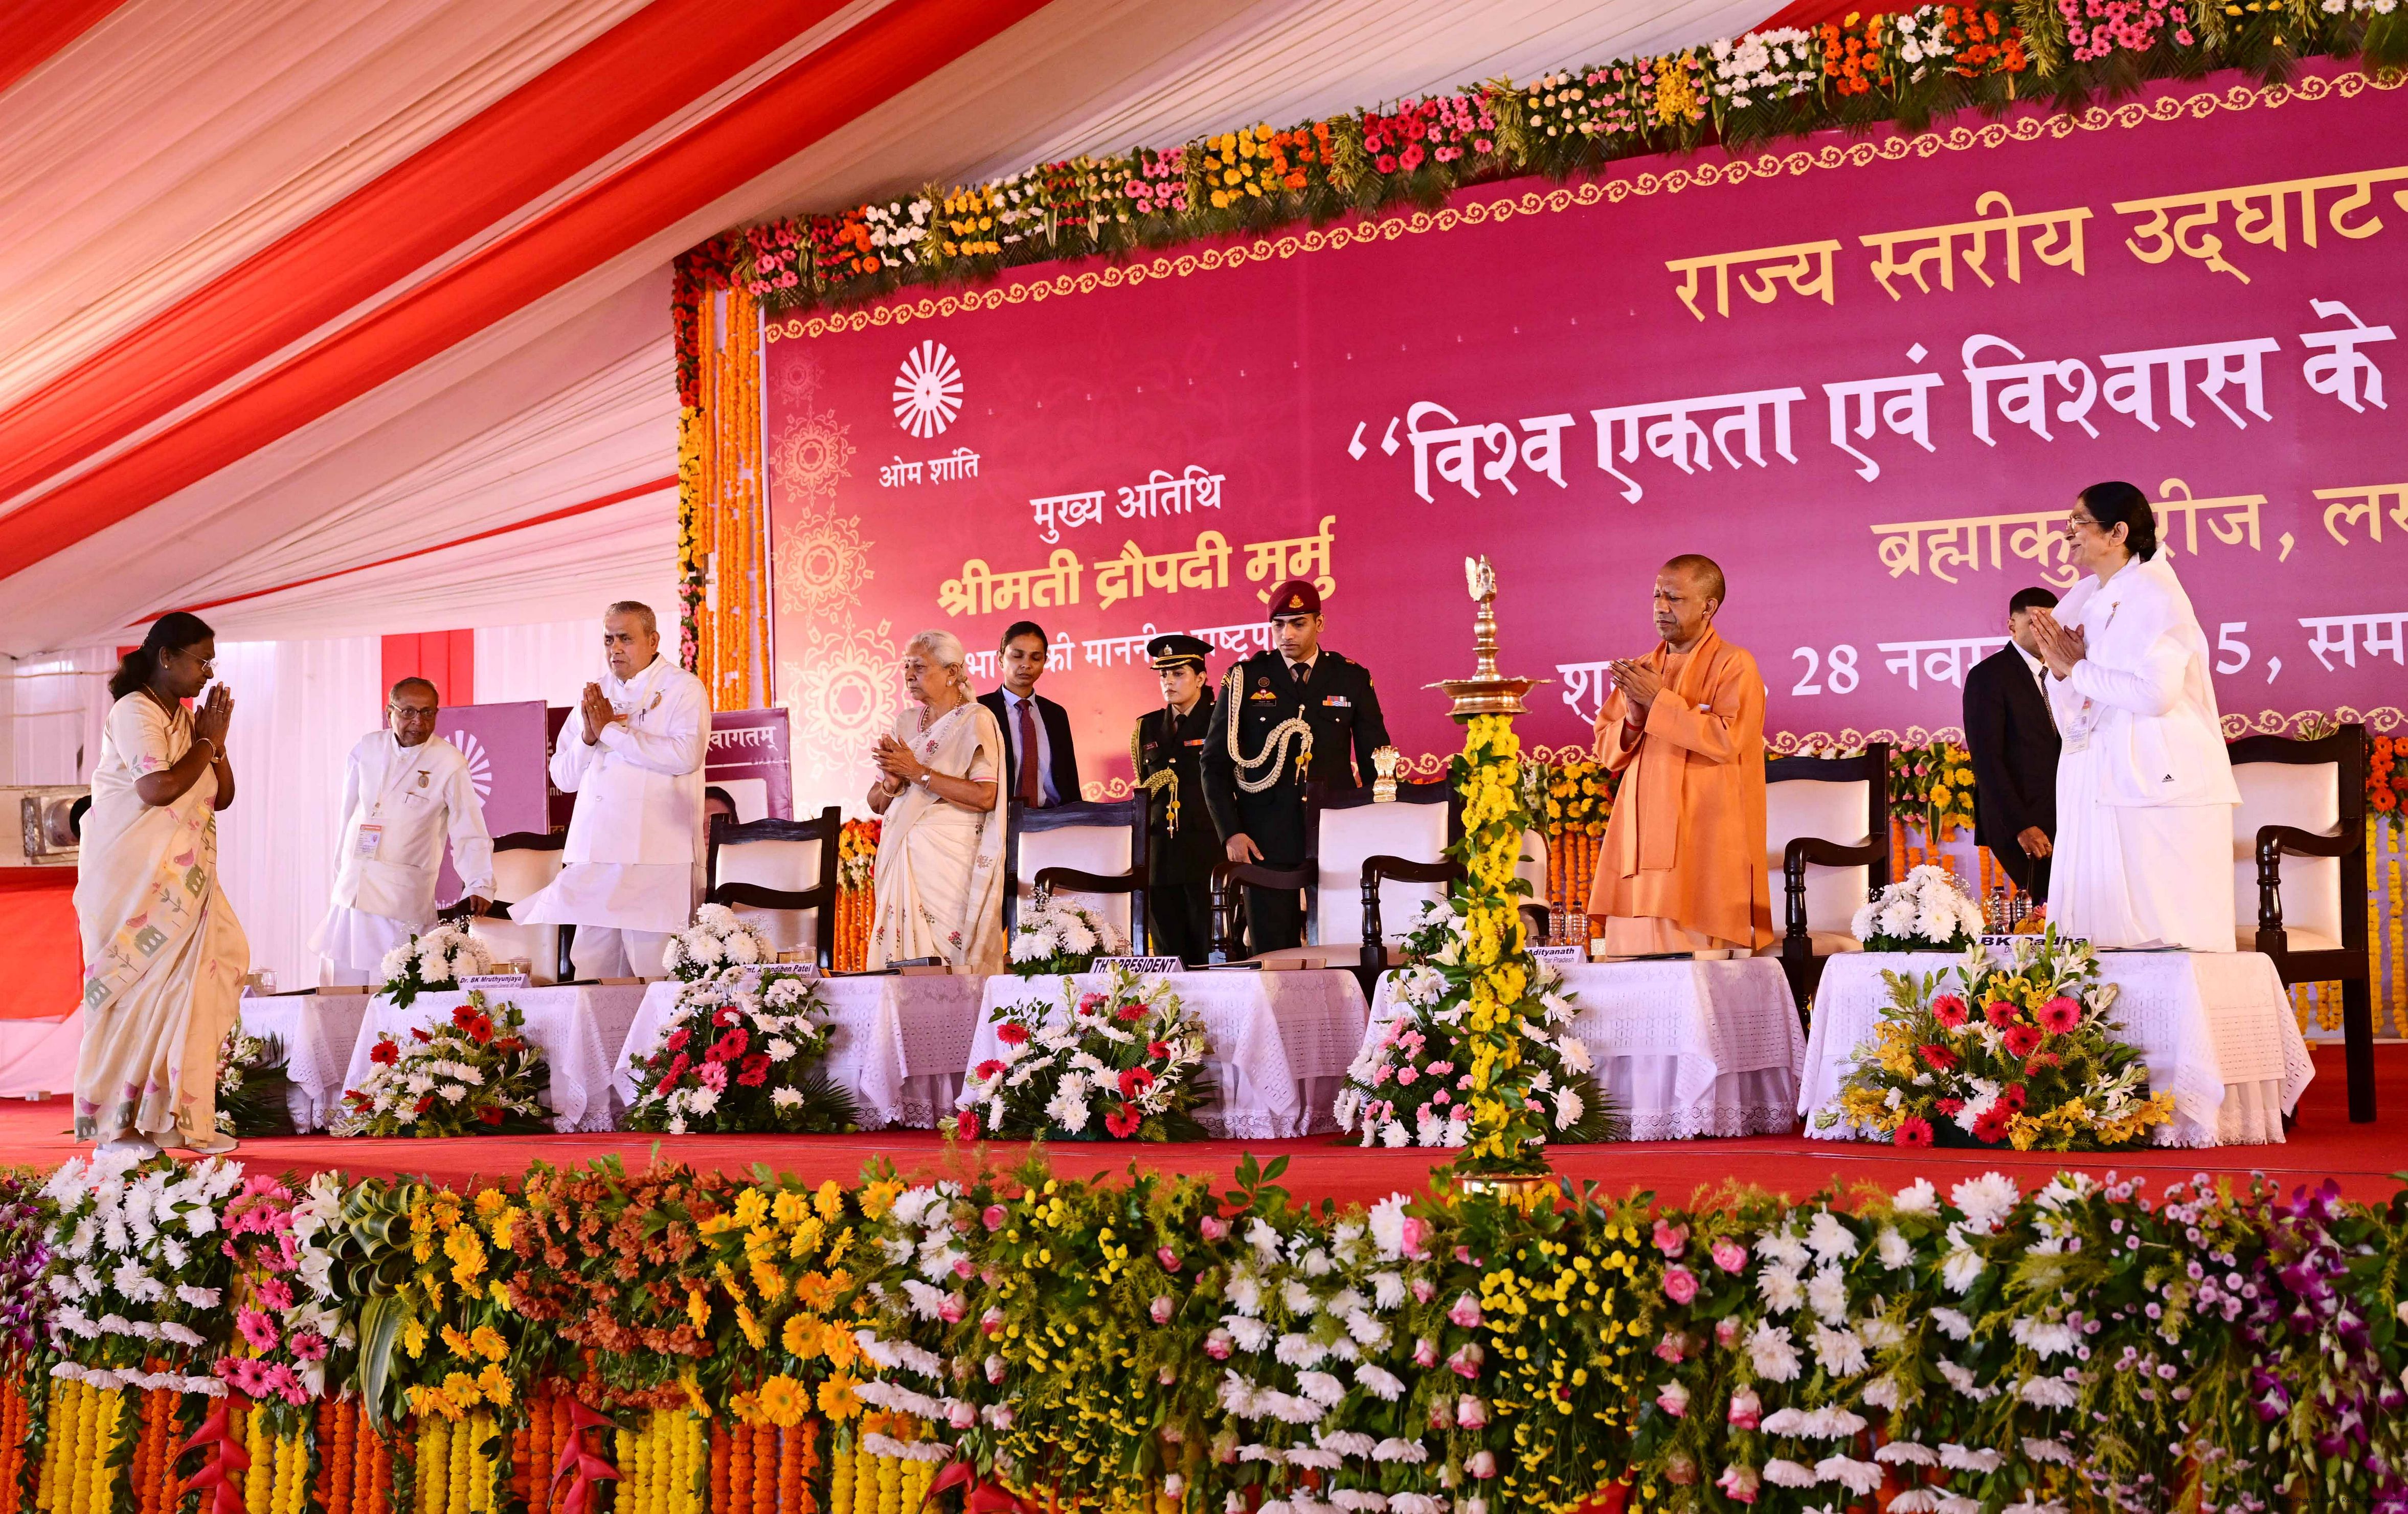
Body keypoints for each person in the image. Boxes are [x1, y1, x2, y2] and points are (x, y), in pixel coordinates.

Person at [2031, 481, 2240, 951]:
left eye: (2079, 521)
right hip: (2095, 773)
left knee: (2161, 936)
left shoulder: (2156, 593)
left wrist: (2076, 669)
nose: (2067, 532)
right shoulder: (2084, 594)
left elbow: (2155, 695)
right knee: (2095, 939)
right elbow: (2068, 684)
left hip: (2156, 783)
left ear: (2117, 533)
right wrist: (2064, 674)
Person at [71, 611, 247, 1157]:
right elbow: (157, 788)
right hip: (131, 884)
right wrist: (207, 741)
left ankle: (168, 1119)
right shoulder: (135, 710)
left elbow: (222, 795)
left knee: (193, 989)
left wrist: (213, 743)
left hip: (181, 881)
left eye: (211, 662)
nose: (208, 673)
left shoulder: (184, 720)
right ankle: (113, 1131)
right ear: (166, 656)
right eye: (201, 661)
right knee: (131, 997)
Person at [1586, 555, 1773, 955]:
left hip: (1701, 833)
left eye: (1674, 597)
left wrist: (1658, 702)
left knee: (1694, 964)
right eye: (1656, 595)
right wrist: (1634, 719)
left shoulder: (1734, 664)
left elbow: (1727, 738)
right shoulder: (1641, 669)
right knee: (1629, 961)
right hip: (1639, 833)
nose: (1660, 607)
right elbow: (1606, 750)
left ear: (1708, 606)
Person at [516, 601, 709, 979]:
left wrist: (611, 732)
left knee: (655, 972)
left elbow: (686, 756)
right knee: (592, 973)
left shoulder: (683, 687)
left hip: (655, 857)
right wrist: (589, 738)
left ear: (653, 641)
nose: (615, 648)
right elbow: (563, 778)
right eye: (609, 640)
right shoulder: (596, 693)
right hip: (596, 855)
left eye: (625, 639)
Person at [1200, 579, 1390, 954]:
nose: (1286, 635)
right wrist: (1231, 832)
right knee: (1273, 954)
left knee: (1341, 946)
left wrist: (1376, 825)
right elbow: (1214, 763)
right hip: (1264, 837)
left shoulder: (1349, 677)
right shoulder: (1245, 679)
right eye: (1278, 625)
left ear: (1319, 623)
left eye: (1298, 624)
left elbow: (1376, 759)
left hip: (1335, 832)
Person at [310, 677, 496, 986]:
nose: (418, 722)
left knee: (395, 990)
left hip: (402, 897)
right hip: (354, 890)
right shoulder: (367, 748)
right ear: (389, 713)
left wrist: (479, 882)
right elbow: (347, 816)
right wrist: (341, 873)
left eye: (427, 712)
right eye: (408, 712)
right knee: (342, 991)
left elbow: (469, 828)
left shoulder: (449, 762)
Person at [866, 629, 1007, 973]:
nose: (909, 674)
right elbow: (877, 802)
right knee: (901, 970)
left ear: (952, 672)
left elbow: (986, 796)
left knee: (951, 964)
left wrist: (918, 773)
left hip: (950, 862)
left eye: (919, 666)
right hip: (904, 853)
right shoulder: (904, 723)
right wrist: (892, 781)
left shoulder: (976, 719)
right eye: (906, 666)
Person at [1963, 587, 2063, 904]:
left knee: (2073, 907)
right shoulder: (1988, 676)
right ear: (2012, 626)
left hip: (2066, 813)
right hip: (2021, 820)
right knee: (2047, 906)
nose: (2045, 630)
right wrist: (2022, 825)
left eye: (2052, 623)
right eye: (2036, 622)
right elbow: (1987, 760)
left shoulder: (2067, 673)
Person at [1132, 634, 1222, 965]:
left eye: (1179, 673)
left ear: (1201, 678)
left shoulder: (1220, 720)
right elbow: (1144, 787)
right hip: (1160, 857)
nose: (1168, 681)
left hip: (1206, 853)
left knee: (1210, 953)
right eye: (1163, 674)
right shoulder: (1147, 726)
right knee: (1168, 957)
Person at [978, 621, 1079, 809]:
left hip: (1054, 819)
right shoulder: (980, 710)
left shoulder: (1056, 714)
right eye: (1017, 656)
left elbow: (1070, 782)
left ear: (1044, 662)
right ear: (1000, 659)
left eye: (1036, 658)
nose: (1026, 665)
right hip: (999, 818)